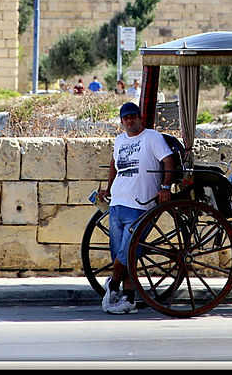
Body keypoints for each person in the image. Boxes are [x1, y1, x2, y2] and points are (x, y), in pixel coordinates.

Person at [96, 102, 175, 314]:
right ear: (121, 121)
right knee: (119, 250)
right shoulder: (119, 140)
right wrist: (108, 188)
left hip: (141, 205)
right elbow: (114, 164)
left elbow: (168, 160)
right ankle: (129, 299)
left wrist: (166, 186)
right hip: (118, 203)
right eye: (125, 117)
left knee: (127, 250)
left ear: (140, 117)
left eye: (133, 116)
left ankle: (113, 285)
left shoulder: (152, 137)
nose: (129, 120)